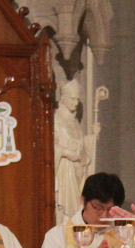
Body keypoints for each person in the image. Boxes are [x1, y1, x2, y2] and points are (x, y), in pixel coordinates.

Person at [40, 172, 135, 248]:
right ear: (83, 200)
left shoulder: (126, 236)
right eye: (97, 207)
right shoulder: (56, 236)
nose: (104, 216)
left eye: (110, 209)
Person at [55, 79, 100, 220]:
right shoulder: (56, 119)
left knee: (76, 209)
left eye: (77, 99)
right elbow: (53, 146)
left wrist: (93, 136)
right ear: (63, 98)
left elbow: (80, 144)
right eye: (72, 99)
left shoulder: (73, 121)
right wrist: (67, 152)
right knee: (66, 211)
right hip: (65, 169)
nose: (75, 103)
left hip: (76, 170)